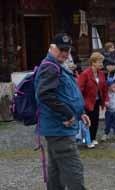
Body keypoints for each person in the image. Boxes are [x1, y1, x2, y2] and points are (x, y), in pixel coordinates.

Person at [35, 33, 90, 189]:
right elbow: (45, 95)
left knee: (57, 169)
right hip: (60, 127)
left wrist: (80, 113)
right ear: (51, 48)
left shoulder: (56, 66)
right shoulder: (50, 68)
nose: (65, 53)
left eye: (67, 50)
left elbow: (65, 94)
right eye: (61, 49)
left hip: (58, 127)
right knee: (74, 169)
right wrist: (68, 113)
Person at [78, 52, 109, 148]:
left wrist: (106, 100)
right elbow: (79, 89)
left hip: (97, 101)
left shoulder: (101, 74)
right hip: (86, 102)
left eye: (102, 62)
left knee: (95, 120)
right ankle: (87, 141)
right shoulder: (85, 74)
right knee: (87, 121)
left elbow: (104, 88)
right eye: (100, 62)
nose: (101, 64)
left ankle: (93, 138)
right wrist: (80, 103)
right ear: (93, 62)